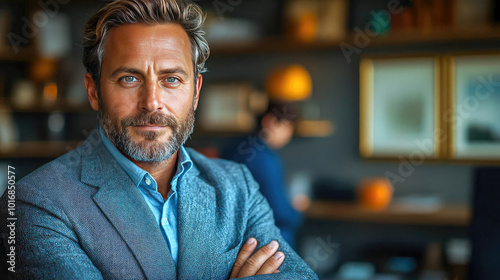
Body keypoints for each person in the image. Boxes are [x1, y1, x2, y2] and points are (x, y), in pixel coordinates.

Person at [0, 0, 318, 279]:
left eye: (171, 79)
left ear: (195, 92)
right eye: (129, 78)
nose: (152, 101)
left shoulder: (238, 186)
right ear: (94, 91)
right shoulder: (35, 202)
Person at [222, 103, 303, 249]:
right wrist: (297, 211)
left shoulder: (233, 148)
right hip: (264, 241)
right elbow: (280, 213)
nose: (289, 135)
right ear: (271, 122)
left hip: (231, 237)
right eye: (288, 127)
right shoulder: (264, 158)